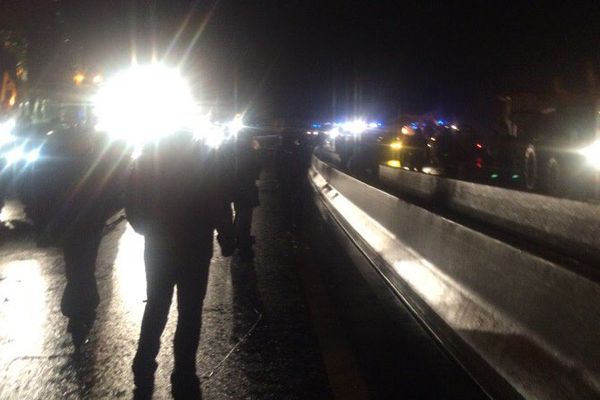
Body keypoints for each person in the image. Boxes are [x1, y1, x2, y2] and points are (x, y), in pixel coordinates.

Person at [126, 131, 234, 400]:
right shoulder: (205, 162)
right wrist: (227, 235)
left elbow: (131, 197)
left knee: (157, 303)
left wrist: (143, 226)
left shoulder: (148, 160)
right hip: (196, 245)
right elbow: (219, 201)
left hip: (159, 244)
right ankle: (184, 367)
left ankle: (144, 361)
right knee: (190, 309)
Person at [25, 127, 129, 344]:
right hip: (86, 223)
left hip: (72, 223)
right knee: (83, 266)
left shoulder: (58, 163)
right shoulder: (89, 163)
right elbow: (108, 191)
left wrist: (41, 221)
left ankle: (79, 310)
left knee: (76, 266)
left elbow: (38, 193)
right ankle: (80, 309)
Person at [232, 129, 261, 261]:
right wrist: (257, 149)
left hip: (238, 186)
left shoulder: (235, 148)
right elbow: (256, 166)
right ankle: (242, 241)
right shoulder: (248, 151)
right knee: (245, 214)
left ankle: (239, 237)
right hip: (246, 186)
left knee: (240, 213)